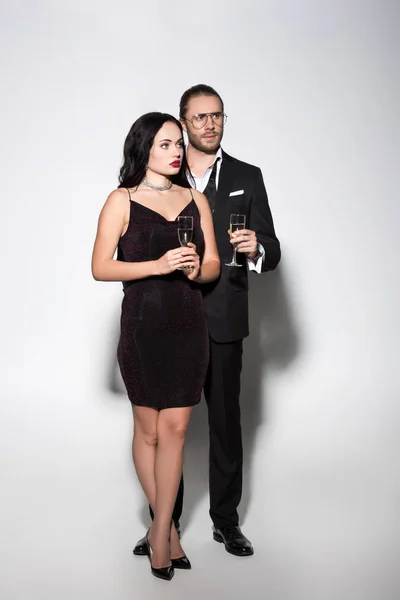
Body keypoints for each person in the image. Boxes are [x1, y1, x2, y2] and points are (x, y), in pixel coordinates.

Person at [132, 86, 281, 559]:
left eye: (217, 116)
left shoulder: (247, 176)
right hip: (165, 320)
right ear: (182, 122)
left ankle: (226, 522)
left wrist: (254, 247)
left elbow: (273, 250)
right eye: (199, 118)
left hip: (220, 318)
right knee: (162, 429)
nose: (210, 125)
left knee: (224, 423)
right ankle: (164, 524)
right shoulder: (159, 171)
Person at [91, 112, 220, 580]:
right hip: (143, 327)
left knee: (177, 432)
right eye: (166, 144)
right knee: (148, 432)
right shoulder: (121, 199)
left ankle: (160, 530)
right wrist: (158, 264)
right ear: (144, 147)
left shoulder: (196, 199)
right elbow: (101, 267)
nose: (176, 151)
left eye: (179, 144)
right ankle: (167, 535)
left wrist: (190, 270)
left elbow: (212, 268)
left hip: (188, 324)